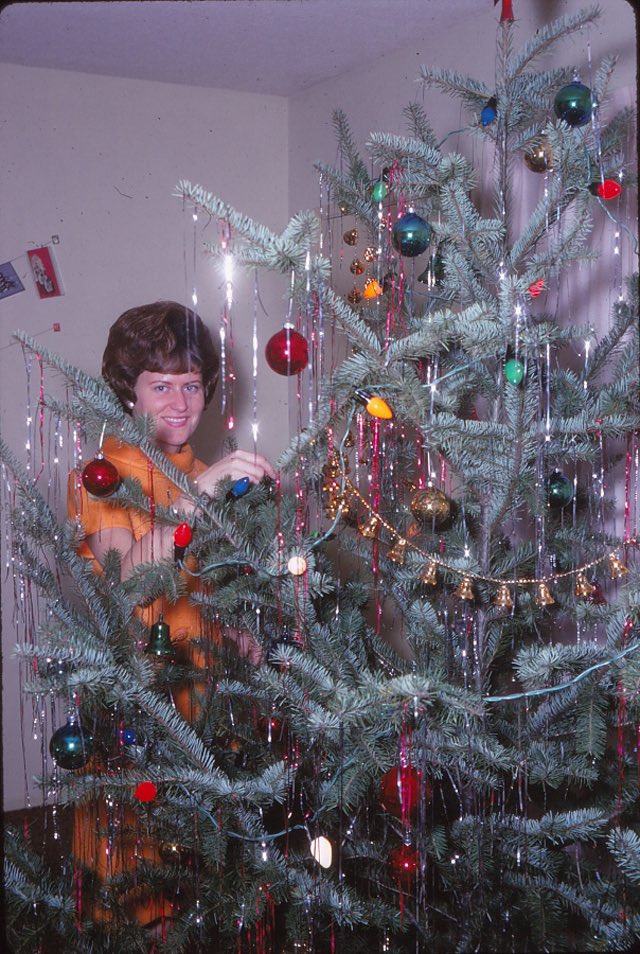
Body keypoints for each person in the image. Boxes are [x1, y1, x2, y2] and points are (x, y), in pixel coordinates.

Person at [68, 300, 275, 926]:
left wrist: (233, 631)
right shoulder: (104, 474)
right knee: (136, 886)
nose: (181, 403)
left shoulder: (193, 470)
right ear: (128, 394)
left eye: (192, 385)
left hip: (202, 700)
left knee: (199, 875)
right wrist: (199, 499)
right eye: (161, 386)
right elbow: (125, 584)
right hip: (139, 709)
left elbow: (195, 588)